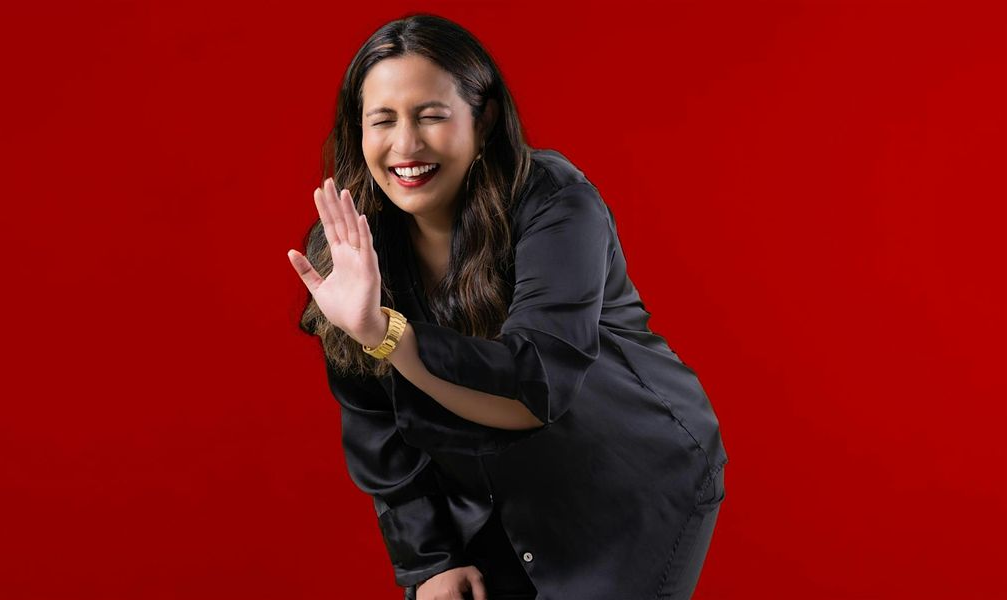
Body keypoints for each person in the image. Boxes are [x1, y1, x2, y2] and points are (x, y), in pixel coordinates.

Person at [287, 13, 728, 600]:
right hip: (488, 497)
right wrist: (430, 560)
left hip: (623, 481)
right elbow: (373, 417)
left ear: (485, 118)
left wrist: (385, 334)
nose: (405, 145)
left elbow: (533, 387)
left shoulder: (556, 203)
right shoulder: (351, 243)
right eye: (382, 120)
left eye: (431, 116)